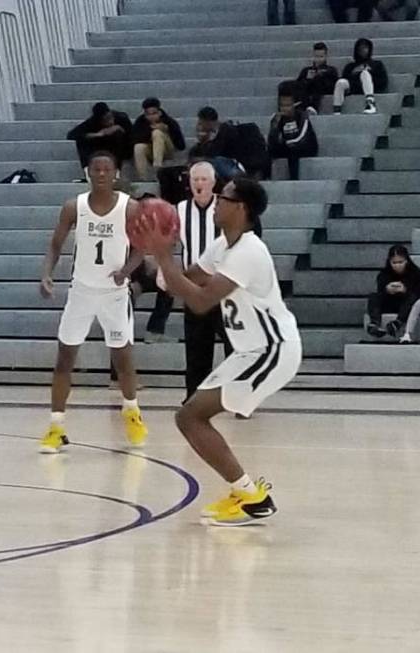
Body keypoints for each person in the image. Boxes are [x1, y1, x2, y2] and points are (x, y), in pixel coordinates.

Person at [136, 177, 302, 526]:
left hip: (272, 349)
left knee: (191, 417)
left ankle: (252, 497)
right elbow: (189, 278)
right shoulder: (222, 245)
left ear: (240, 207)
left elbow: (199, 301)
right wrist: (155, 264)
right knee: (188, 417)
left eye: (222, 198)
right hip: (249, 351)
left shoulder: (249, 252)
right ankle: (247, 493)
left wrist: (164, 256)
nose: (215, 203)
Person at [39, 151, 148, 453]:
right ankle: (56, 426)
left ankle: (132, 411)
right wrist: (46, 274)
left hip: (114, 294)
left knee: (122, 359)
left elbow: (142, 249)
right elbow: (55, 245)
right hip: (82, 292)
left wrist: (125, 271)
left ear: (115, 173)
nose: (101, 173)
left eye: (106, 169)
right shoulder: (73, 207)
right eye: (95, 168)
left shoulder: (131, 207)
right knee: (64, 359)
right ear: (88, 172)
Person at [168, 162, 233, 401]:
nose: (199, 184)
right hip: (194, 288)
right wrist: (164, 271)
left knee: (234, 344)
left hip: (223, 287)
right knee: (196, 347)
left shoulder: (226, 208)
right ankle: (193, 396)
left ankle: (236, 396)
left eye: (204, 179)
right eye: (195, 179)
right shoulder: (179, 209)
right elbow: (168, 242)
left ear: (214, 182)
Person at [365, 244, 420, 338]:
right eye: (394, 262)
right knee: (373, 297)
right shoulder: (384, 274)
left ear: (406, 261)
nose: (397, 265)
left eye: (400, 262)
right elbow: (380, 291)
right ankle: (374, 323)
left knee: (413, 298)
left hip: (406, 305)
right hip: (389, 302)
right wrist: (387, 289)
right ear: (389, 262)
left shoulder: (416, 274)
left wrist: (406, 290)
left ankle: (397, 323)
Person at [66, 102, 133, 176]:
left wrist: (120, 129)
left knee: (117, 134)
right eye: (106, 120)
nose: (110, 121)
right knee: (82, 140)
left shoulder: (121, 117)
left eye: (110, 117)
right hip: (101, 146)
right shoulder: (92, 122)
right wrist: (99, 134)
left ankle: (117, 170)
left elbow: (132, 135)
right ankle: (87, 170)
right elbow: (72, 135)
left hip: (121, 149)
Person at [268, 90, 319, 181]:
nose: (284, 109)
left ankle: (294, 180)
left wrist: (287, 143)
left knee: (293, 152)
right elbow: (272, 141)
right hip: (288, 146)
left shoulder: (302, 116)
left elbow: (303, 137)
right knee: (269, 152)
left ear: (294, 105)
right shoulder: (276, 118)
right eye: (282, 106)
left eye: (287, 105)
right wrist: (275, 126)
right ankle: (267, 178)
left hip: (305, 146)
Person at [132, 97, 185, 181]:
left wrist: (166, 129)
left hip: (167, 150)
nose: (151, 116)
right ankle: (144, 178)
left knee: (157, 133)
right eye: (148, 114)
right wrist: (149, 130)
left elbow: (181, 145)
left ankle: (157, 169)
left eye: (154, 113)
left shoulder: (169, 121)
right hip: (150, 150)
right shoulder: (140, 122)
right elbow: (135, 140)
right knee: (138, 147)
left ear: (159, 112)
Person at [333, 37, 388, 115]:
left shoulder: (377, 64)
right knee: (340, 82)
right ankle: (337, 110)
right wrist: (355, 72)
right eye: (360, 48)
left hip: (372, 87)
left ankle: (370, 103)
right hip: (355, 87)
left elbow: (383, 81)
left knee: (364, 73)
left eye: (365, 48)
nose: (363, 50)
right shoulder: (350, 66)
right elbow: (346, 78)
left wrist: (367, 72)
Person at [187, 106, 241, 180]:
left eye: (201, 123)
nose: (201, 126)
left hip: (228, 161)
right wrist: (202, 142)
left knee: (217, 162)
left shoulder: (226, 130)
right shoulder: (209, 133)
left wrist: (206, 141)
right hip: (215, 161)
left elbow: (215, 152)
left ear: (208, 122)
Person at [295, 42, 339, 115]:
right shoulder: (306, 70)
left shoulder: (331, 70)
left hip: (324, 89)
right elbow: (298, 85)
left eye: (321, 56)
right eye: (316, 56)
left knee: (318, 80)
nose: (318, 59)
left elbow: (334, 85)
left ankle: (313, 107)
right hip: (309, 90)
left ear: (326, 56)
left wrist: (322, 76)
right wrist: (308, 79)